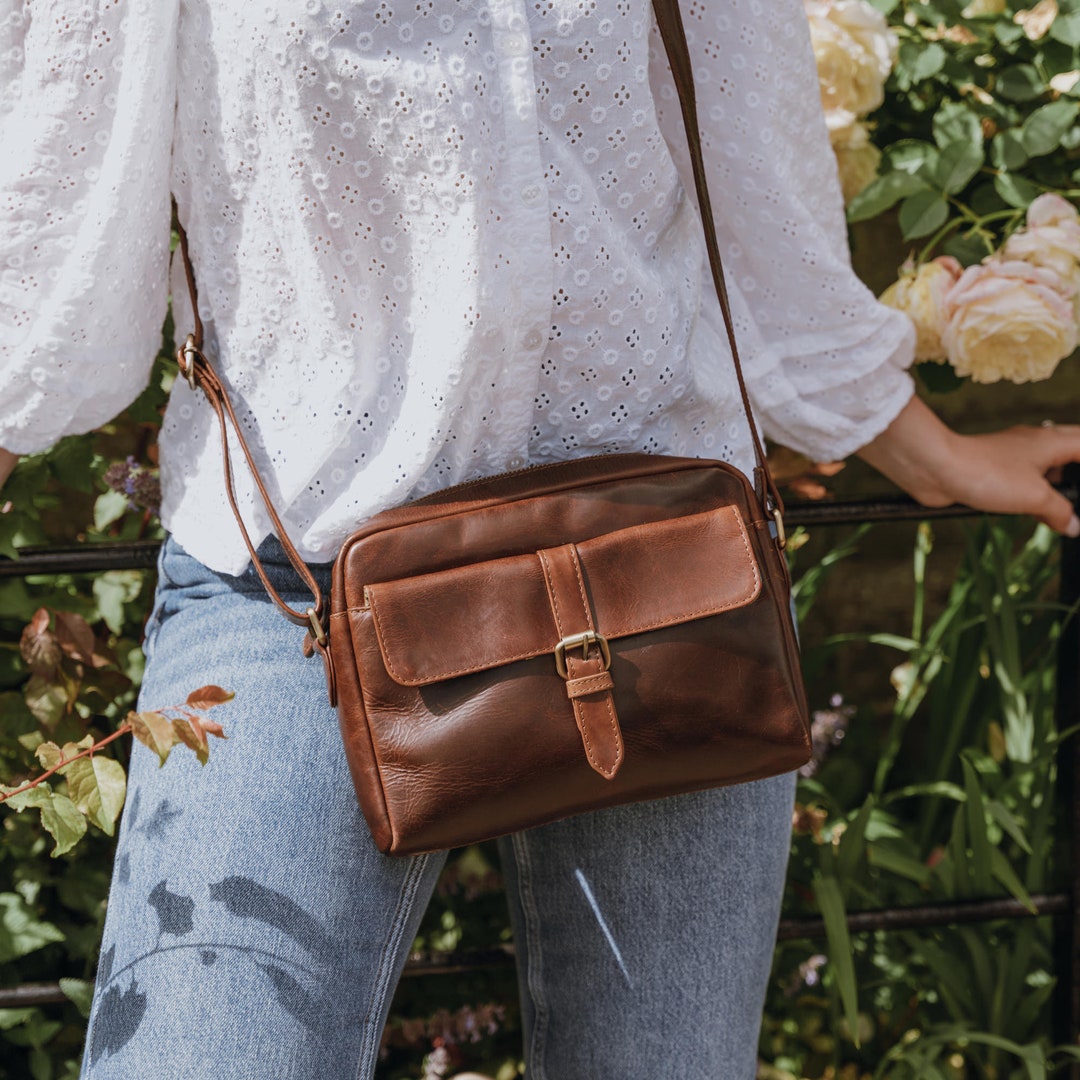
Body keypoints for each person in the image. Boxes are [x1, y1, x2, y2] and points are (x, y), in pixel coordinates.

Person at [2, 1, 1079, 1078]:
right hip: (294, 586)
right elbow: (53, 214)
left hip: (667, 573)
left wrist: (928, 450)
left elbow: (762, 207)